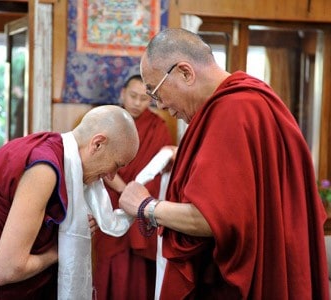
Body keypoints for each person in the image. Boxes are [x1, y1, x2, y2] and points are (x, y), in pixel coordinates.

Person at [118, 28, 330, 299]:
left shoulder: (233, 110)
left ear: (185, 72)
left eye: (156, 92)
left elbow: (214, 219)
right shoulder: (251, 99)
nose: (160, 105)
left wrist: (146, 207)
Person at [0, 105, 139, 299]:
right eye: (116, 165)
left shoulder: (55, 152)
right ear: (97, 144)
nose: (112, 176)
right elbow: (6, 270)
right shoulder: (44, 169)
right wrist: (61, 249)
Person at [92, 74, 174, 299]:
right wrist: (126, 192)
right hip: (111, 199)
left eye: (145, 98)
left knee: (139, 271)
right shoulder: (107, 122)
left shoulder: (157, 127)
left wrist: (136, 198)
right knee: (111, 261)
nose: (138, 103)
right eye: (133, 96)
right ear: (123, 94)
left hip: (142, 205)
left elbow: (159, 171)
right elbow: (99, 164)